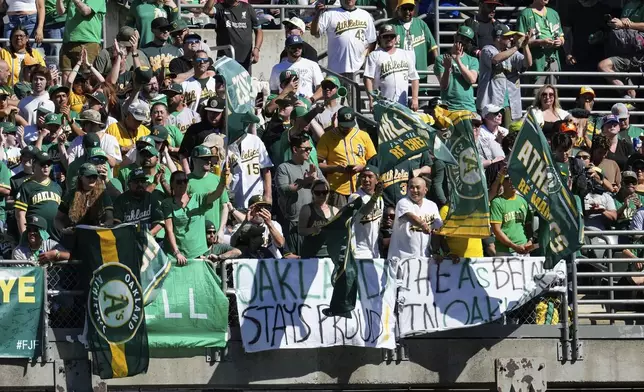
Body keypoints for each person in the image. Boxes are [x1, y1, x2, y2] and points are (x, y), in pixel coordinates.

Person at [162, 170, 227, 263]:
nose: (182, 184)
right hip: (178, 256)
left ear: (188, 183)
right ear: (172, 183)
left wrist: (223, 180)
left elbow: (216, 194)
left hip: (199, 254)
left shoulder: (199, 198)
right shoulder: (167, 203)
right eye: (179, 181)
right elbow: (169, 230)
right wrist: (177, 252)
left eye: (185, 181)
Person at [317, 106, 376, 208]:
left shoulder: (363, 135)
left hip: (361, 187)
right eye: (344, 125)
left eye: (349, 125)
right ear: (338, 121)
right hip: (337, 189)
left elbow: (374, 161)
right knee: (341, 221)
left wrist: (362, 167)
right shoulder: (327, 137)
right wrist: (336, 168)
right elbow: (318, 164)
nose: (346, 128)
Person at [275, 135, 325, 254]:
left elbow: (326, 187)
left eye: (310, 149)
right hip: (295, 223)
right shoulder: (284, 168)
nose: (309, 151)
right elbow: (284, 190)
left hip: (313, 222)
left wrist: (315, 180)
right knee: (297, 258)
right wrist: (305, 181)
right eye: (306, 149)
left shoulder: (312, 167)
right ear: (295, 149)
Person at [477, 24, 532, 122]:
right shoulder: (487, 49)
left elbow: (528, 63)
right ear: (498, 38)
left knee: (509, 136)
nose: (511, 39)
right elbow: (495, 59)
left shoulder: (512, 52)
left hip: (511, 106)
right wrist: (516, 47)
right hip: (491, 105)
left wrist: (525, 46)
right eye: (508, 37)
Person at [311, 0, 376, 75]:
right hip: (336, 69)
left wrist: (365, 57)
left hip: (358, 69)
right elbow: (314, 32)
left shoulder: (365, 15)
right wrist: (317, 15)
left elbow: (372, 41)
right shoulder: (330, 14)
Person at [364, 24, 419, 110]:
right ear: (379, 39)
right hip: (382, 104)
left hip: (403, 104)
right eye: (386, 36)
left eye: (392, 36)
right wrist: (371, 99)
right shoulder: (374, 55)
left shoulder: (404, 54)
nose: (389, 39)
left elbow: (414, 77)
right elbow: (368, 78)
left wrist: (415, 99)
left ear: (396, 38)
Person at [388, 0, 438, 94]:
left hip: (419, 74)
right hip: (397, 74)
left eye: (410, 9)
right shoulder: (390, 26)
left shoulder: (421, 24)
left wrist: (438, 64)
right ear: (398, 9)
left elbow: (433, 46)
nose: (407, 12)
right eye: (404, 8)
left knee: (420, 102)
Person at [597, 1, 644, 99]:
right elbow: (623, 23)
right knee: (603, 66)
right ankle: (626, 95)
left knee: (634, 84)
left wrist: (625, 25)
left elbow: (629, 25)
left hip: (639, 53)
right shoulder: (628, 4)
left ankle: (632, 104)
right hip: (622, 50)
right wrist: (618, 22)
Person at [388, 176, 442, 259]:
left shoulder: (432, 205)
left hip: (424, 257)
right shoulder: (403, 202)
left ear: (425, 190)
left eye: (417, 187)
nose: (414, 190)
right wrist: (423, 224)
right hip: (402, 257)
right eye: (411, 187)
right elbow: (410, 217)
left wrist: (436, 251)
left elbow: (437, 230)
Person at [15, 150, 63, 240]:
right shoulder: (26, 186)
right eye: (42, 164)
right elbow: (20, 215)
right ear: (34, 165)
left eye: (48, 164)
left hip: (56, 236)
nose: (46, 167)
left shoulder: (57, 187)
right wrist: (25, 238)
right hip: (35, 236)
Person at [203, 0, 263, 71]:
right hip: (225, 58)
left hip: (245, 58)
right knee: (225, 81)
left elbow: (258, 30)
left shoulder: (247, 7)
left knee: (243, 81)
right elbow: (207, 10)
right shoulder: (220, 7)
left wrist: (257, 49)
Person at [516, 0, 564, 85]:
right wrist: (539, 42)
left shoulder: (553, 13)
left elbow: (561, 37)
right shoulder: (524, 14)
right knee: (535, 93)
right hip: (535, 62)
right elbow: (519, 42)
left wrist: (560, 41)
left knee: (552, 94)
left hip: (553, 61)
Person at [55, 163, 113, 231]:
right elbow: (57, 219)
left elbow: (110, 218)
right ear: (80, 177)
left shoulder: (102, 194)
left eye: (94, 176)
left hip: (97, 233)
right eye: (88, 176)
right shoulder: (71, 194)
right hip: (75, 234)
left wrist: (106, 224)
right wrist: (63, 230)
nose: (92, 179)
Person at [434, 25, 479, 112]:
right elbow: (443, 85)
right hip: (448, 107)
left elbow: (472, 80)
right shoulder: (441, 59)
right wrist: (447, 69)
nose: (464, 42)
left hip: (468, 107)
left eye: (467, 40)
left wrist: (458, 61)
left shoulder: (473, 60)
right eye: (462, 38)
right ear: (455, 36)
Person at [57, 0, 106, 79]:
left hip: (88, 42)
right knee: (66, 74)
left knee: (87, 76)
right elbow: (60, 12)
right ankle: (67, 91)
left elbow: (86, 11)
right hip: (68, 41)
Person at [228, 125, 273, 209]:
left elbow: (266, 169)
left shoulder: (255, 140)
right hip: (234, 196)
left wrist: (268, 194)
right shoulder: (224, 143)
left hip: (255, 194)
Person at [187, 145, 229, 235]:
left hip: (214, 234)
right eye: (204, 159)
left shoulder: (217, 180)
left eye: (209, 158)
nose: (209, 161)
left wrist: (221, 230)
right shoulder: (186, 181)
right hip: (195, 234)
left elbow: (224, 206)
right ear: (194, 160)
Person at [490, 174, 533, 256]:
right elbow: (496, 230)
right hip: (505, 251)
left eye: (514, 178)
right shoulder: (497, 202)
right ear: (502, 182)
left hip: (524, 249)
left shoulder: (523, 201)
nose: (512, 182)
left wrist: (530, 241)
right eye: (508, 179)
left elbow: (528, 224)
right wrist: (513, 246)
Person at [269, 36, 323, 100]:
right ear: (286, 49)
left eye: (299, 46)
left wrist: (311, 100)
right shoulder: (277, 68)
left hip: (306, 106)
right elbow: (274, 92)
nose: (297, 49)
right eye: (293, 47)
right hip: (285, 106)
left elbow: (321, 88)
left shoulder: (312, 65)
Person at [113, 168, 164, 234]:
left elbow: (159, 222)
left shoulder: (151, 198)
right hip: (127, 239)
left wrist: (149, 236)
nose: (140, 184)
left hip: (149, 238)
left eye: (142, 181)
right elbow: (117, 224)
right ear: (129, 184)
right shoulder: (121, 200)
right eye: (136, 182)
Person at [350, 165, 384, 259]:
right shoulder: (355, 197)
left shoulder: (380, 199)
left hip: (375, 251)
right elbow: (364, 211)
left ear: (377, 180)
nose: (366, 179)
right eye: (363, 176)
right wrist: (375, 196)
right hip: (359, 250)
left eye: (370, 176)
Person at [298, 180, 339, 258]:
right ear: (312, 193)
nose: (321, 195)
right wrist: (314, 230)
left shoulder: (335, 210)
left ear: (328, 193)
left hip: (330, 253)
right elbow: (301, 231)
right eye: (317, 192)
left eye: (324, 192)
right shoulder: (307, 209)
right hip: (311, 253)